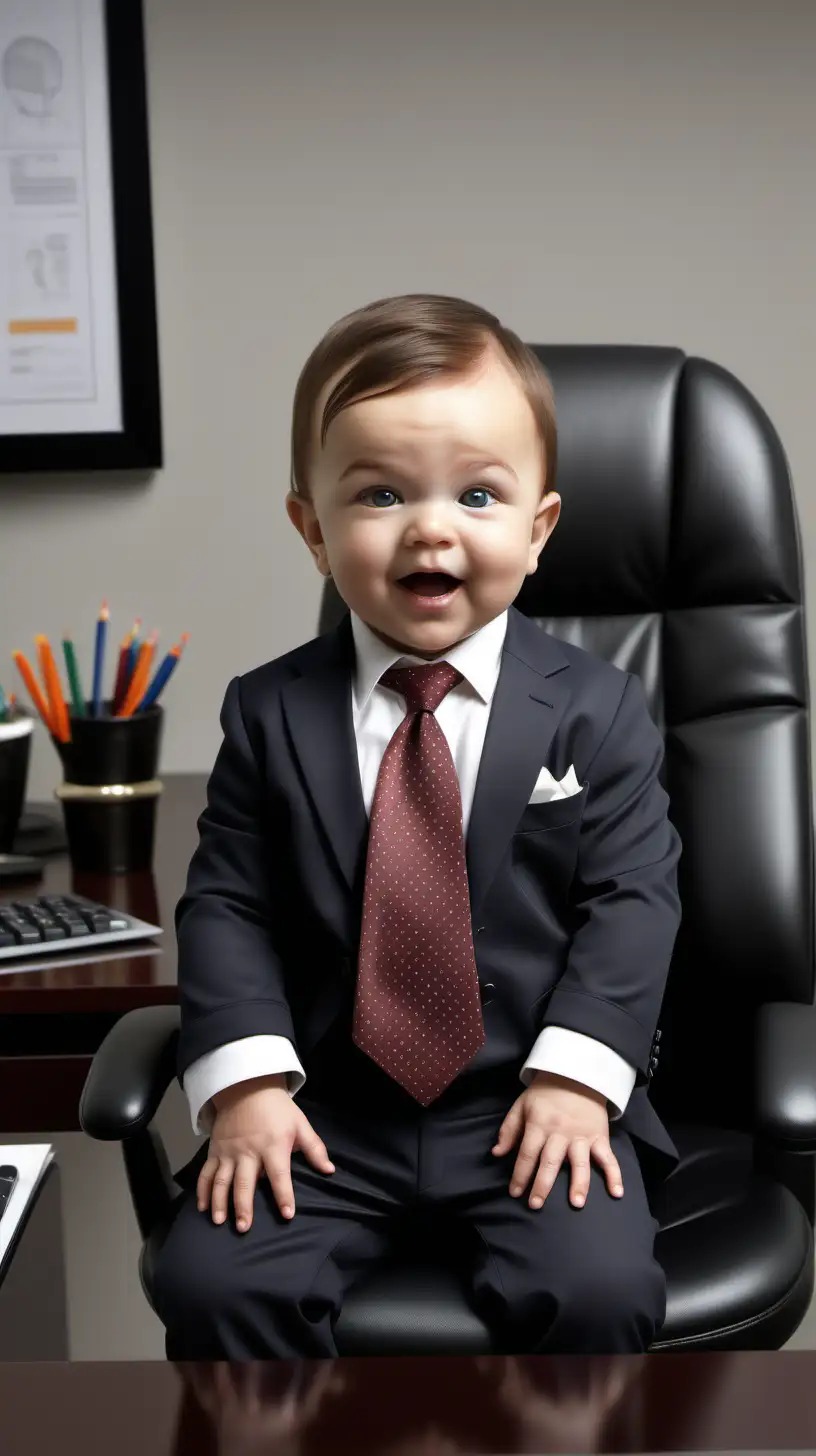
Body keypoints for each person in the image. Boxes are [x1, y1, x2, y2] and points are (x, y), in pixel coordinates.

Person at [151, 292, 682, 1360]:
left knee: (599, 1288)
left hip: (529, 1098)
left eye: (478, 495)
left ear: (538, 531)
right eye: (382, 493)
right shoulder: (268, 711)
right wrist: (248, 1079)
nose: (432, 528)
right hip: (327, 1112)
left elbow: (633, 902)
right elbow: (228, 905)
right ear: (312, 528)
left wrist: (579, 1077)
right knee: (211, 1283)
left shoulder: (598, 706)